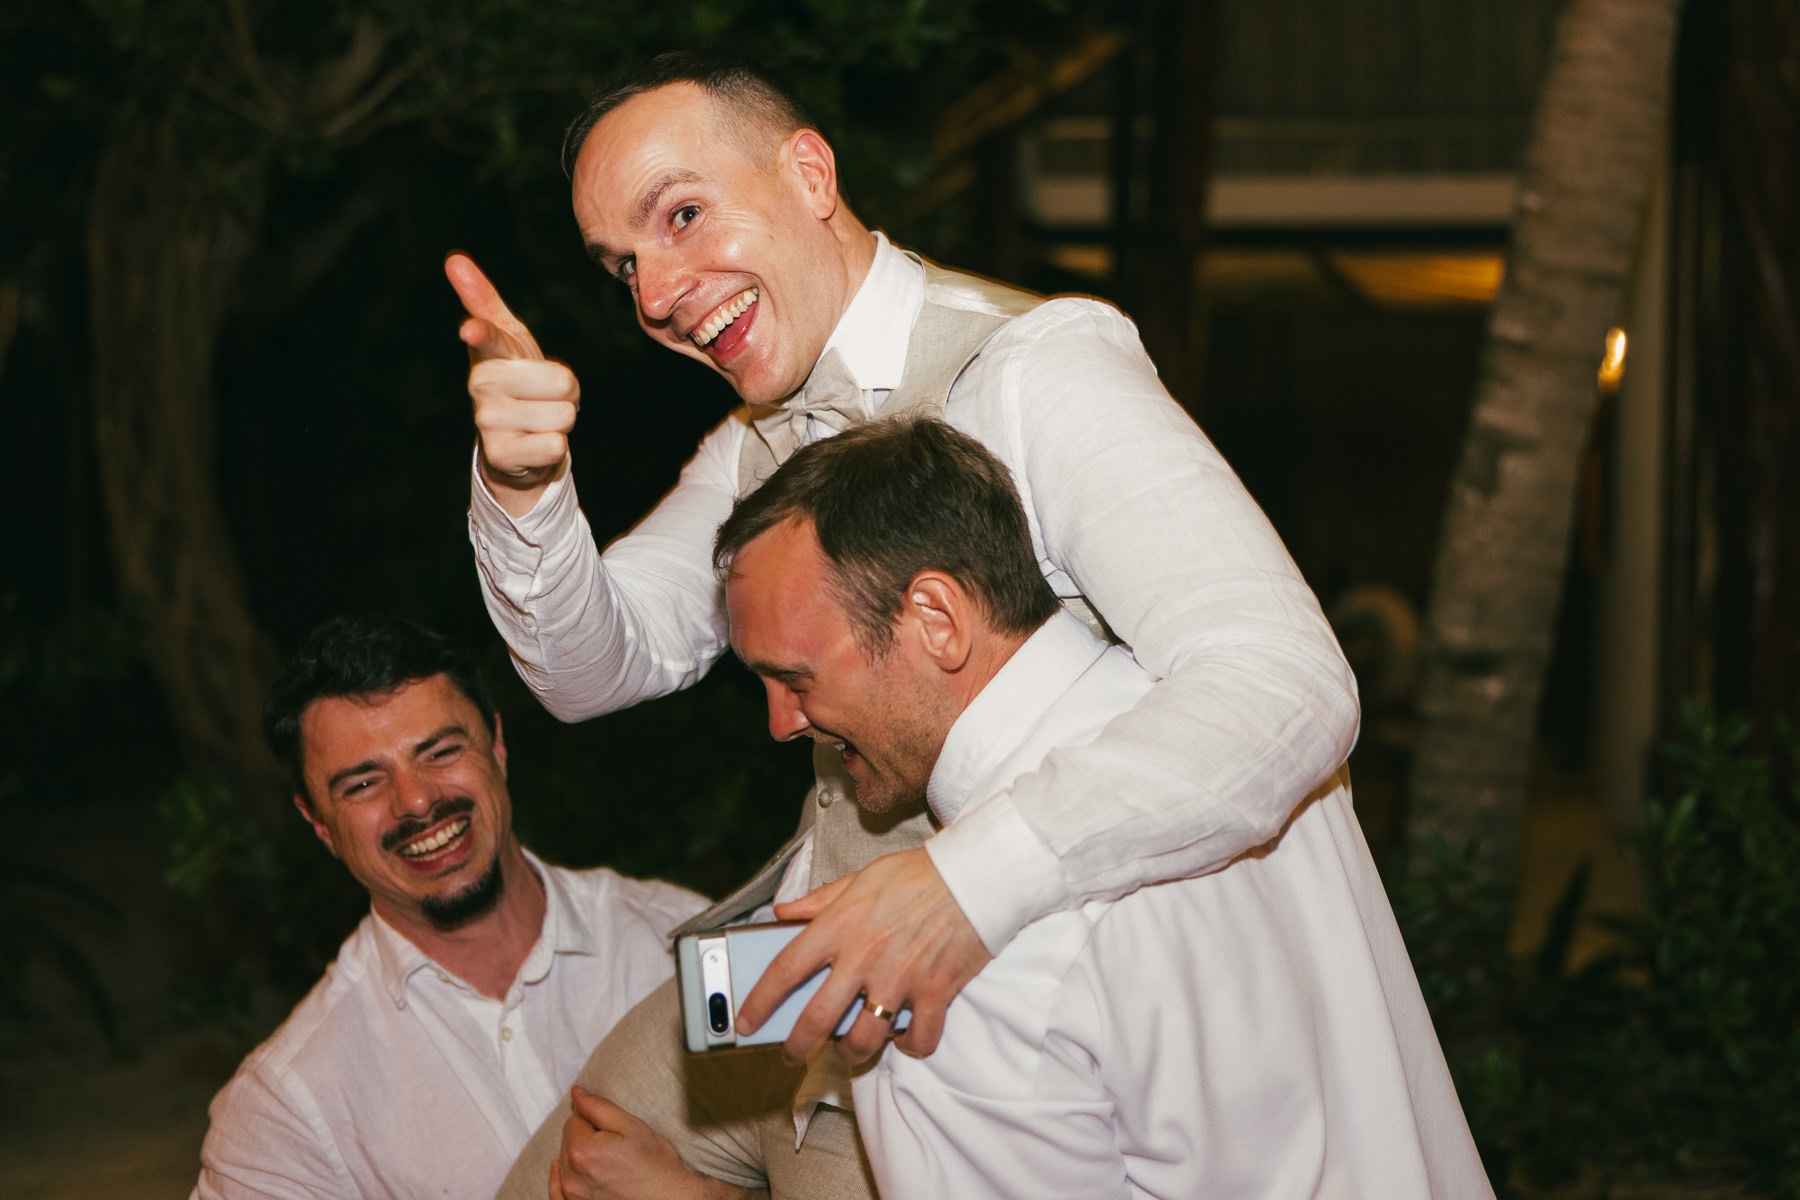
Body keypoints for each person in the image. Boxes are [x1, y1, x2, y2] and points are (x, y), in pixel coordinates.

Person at [453, 52, 1358, 1198]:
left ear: (809, 173)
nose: (657, 293)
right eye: (623, 264)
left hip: (985, 1025)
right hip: (796, 965)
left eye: (681, 216)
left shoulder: (1039, 373)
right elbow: (590, 671)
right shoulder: (750, 444)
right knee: (553, 1177)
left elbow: (1286, 684)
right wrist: (525, 488)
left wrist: (958, 887)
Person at [714, 416, 1494, 1199]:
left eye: (796, 679)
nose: (781, 723)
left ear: (937, 620)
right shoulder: (1252, 748)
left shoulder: (940, 968)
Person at [190, 614, 722, 1200]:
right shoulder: (285, 1114)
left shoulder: (682, 946)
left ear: (496, 744)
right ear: (317, 822)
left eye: (440, 751)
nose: (417, 801)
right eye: (362, 784)